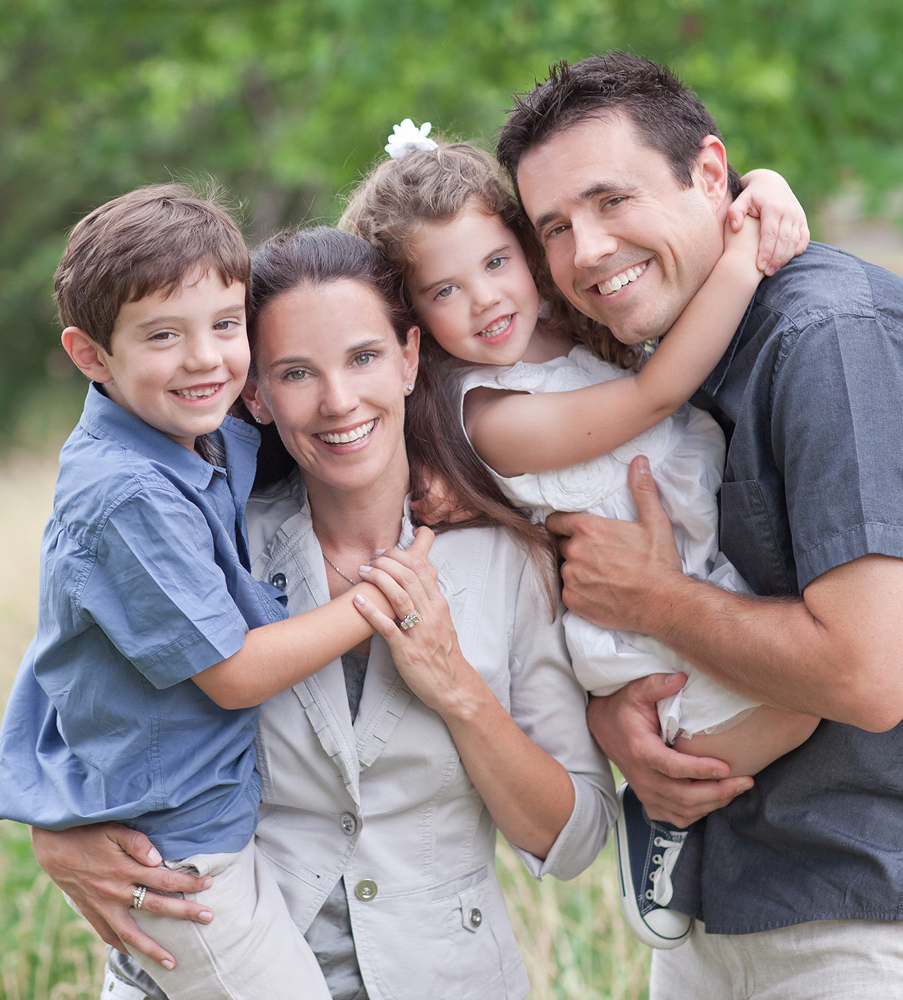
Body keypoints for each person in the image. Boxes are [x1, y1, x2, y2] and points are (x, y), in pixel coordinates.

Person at [495, 52, 903, 999]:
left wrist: (653, 598)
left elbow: (873, 675)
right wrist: (614, 723)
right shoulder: (662, 362)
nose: (587, 249)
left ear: (712, 177)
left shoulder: (835, 338)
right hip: (720, 907)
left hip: (870, 916)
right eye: (555, 226)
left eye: (611, 200)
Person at [30, 226, 617, 1000]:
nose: (339, 401)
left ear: (410, 358)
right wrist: (54, 830)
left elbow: (573, 839)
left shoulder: (509, 559)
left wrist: (457, 688)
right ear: (256, 395)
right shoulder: (210, 537)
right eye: (296, 373)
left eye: (365, 358)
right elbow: (74, 679)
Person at [338, 124, 820, 948]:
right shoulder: (487, 415)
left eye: (495, 264)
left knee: (803, 680)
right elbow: (651, 399)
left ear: (527, 250)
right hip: (631, 622)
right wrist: (745, 255)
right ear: (409, 319)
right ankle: (658, 826)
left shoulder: (572, 320)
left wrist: (762, 182)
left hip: (697, 565)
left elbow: (672, 230)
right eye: (444, 291)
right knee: (798, 712)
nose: (485, 300)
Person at [0, 185, 434, 1000]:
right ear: (90, 356)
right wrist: (380, 594)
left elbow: (341, 370)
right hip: (179, 858)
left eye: (226, 326)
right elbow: (231, 671)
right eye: (163, 335)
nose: (205, 359)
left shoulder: (202, 429)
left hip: (217, 839)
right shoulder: (130, 494)